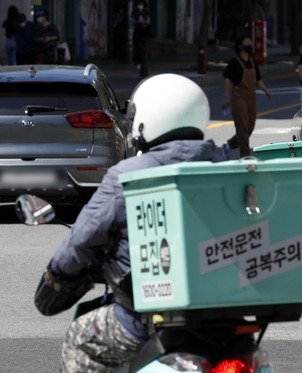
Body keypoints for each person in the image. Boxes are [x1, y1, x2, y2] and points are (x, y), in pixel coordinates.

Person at [33, 74, 222, 372]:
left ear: (147, 120)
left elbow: (83, 237)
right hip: (221, 320)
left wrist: (58, 272)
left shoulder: (129, 174)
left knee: (80, 340)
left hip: (146, 319)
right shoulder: (226, 168)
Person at [222, 34, 272, 158]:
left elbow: (258, 80)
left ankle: (230, 145)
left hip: (251, 98)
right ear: (240, 46)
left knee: (249, 127)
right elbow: (228, 80)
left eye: (251, 43)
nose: (250, 45)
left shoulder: (252, 61)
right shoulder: (234, 61)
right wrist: (226, 97)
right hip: (239, 97)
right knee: (243, 127)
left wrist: (266, 90)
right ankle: (245, 156)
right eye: (247, 43)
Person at [131, 0, 151, 76]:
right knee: (137, 47)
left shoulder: (146, 11)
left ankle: (143, 63)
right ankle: (137, 62)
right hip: (137, 30)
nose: (140, 5)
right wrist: (137, 22)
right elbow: (132, 21)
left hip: (144, 31)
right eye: (139, 4)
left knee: (144, 47)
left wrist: (144, 21)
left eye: (142, 4)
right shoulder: (135, 11)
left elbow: (148, 21)